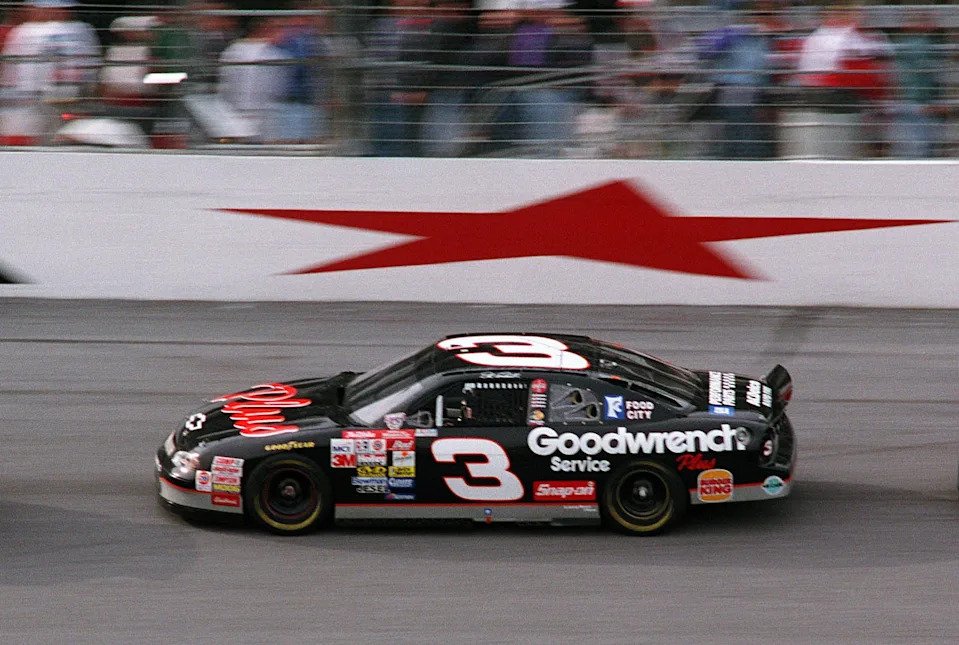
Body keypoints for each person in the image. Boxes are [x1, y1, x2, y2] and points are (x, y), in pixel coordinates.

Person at [0, 0, 100, 145]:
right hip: (71, 98)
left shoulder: (26, 31)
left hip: (31, 100)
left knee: (28, 143)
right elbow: (92, 69)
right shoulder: (83, 30)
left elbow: (10, 73)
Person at [363, 0, 433, 156]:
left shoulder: (426, 27)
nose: (419, 7)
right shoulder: (384, 27)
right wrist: (395, 94)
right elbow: (377, 65)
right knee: (390, 147)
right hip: (389, 99)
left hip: (411, 101)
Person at [219, 18, 290, 143]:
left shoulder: (232, 51)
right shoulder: (273, 55)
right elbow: (278, 90)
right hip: (255, 116)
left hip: (239, 115)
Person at [888, 11, 943, 159]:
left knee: (908, 150)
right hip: (918, 105)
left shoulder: (902, 46)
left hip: (909, 104)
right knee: (919, 151)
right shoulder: (922, 46)